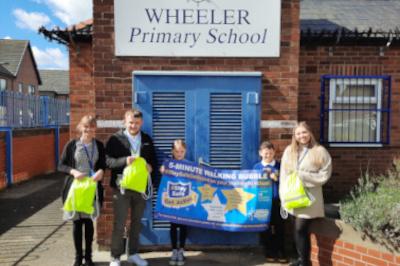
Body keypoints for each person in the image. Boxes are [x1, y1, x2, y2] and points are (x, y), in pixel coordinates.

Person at [106, 109, 157, 266]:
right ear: (125, 122)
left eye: (136, 123)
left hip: (140, 188)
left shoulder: (147, 139)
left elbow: (154, 161)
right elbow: (107, 161)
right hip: (121, 187)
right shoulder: (115, 139)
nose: (133, 125)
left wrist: (150, 167)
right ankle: (115, 257)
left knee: (136, 222)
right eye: (130, 122)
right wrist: (124, 161)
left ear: (141, 123)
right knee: (119, 223)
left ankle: (133, 254)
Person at [279, 122, 332, 266]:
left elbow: (325, 174)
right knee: (296, 229)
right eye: (298, 133)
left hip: (309, 197)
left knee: (300, 228)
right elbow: (283, 175)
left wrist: (304, 176)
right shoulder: (289, 150)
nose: (302, 136)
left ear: (310, 133)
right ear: (294, 136)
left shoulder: (320, 151)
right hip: (292, 196)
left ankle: (305, 262)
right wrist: (282, 197)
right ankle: (301, 259)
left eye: (304, 132)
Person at [59, 115, 106, 266]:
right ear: (80, 127)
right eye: (86, 127)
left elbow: (103, 164)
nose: (88, 130)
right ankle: (78, 258)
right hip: (76, 188)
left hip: (92, 189)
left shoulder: (99, 145)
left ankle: (89, 258)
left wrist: (101, 172)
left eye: (92, 127)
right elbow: (61, 165)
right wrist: (73, 172)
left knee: (89, 222)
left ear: (95, 129)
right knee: (77, 223)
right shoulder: (72, 145)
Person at [253, 141, 286, 263]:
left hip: (277, 201)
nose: (268, 156)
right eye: (266, 153)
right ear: (260, 153)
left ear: (274, 153)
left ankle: (281, 251)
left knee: (279, 227)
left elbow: (287, 182)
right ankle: (269, 251)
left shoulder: (280, 166)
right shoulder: (256, 167)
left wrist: (276, 178)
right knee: (265, 227)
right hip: (262, 202)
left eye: (270, 153)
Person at [160, 139, 188, 266]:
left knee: (183, 226)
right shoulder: (168, 164)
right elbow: (163, 178)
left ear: (185, 151)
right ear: (172, 151)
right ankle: (173, 250)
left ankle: (181, 250)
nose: (179, 154)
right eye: (177, 151)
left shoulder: (189, 165)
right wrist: (163, 171)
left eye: (181, 151)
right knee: (173, 225)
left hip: (185, 200)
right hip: (172, 200)